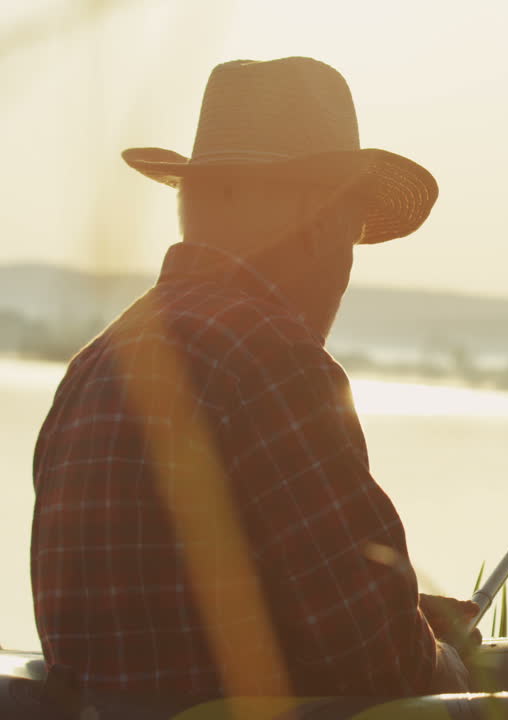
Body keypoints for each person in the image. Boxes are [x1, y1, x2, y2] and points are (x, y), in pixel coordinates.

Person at [30, 57, 478, 697]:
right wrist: (447, 664)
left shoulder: (95, 364)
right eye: (350, 229)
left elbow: (186, 619)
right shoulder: (276, 363)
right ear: (317, 220)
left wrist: (413, 617)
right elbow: (375, 660)